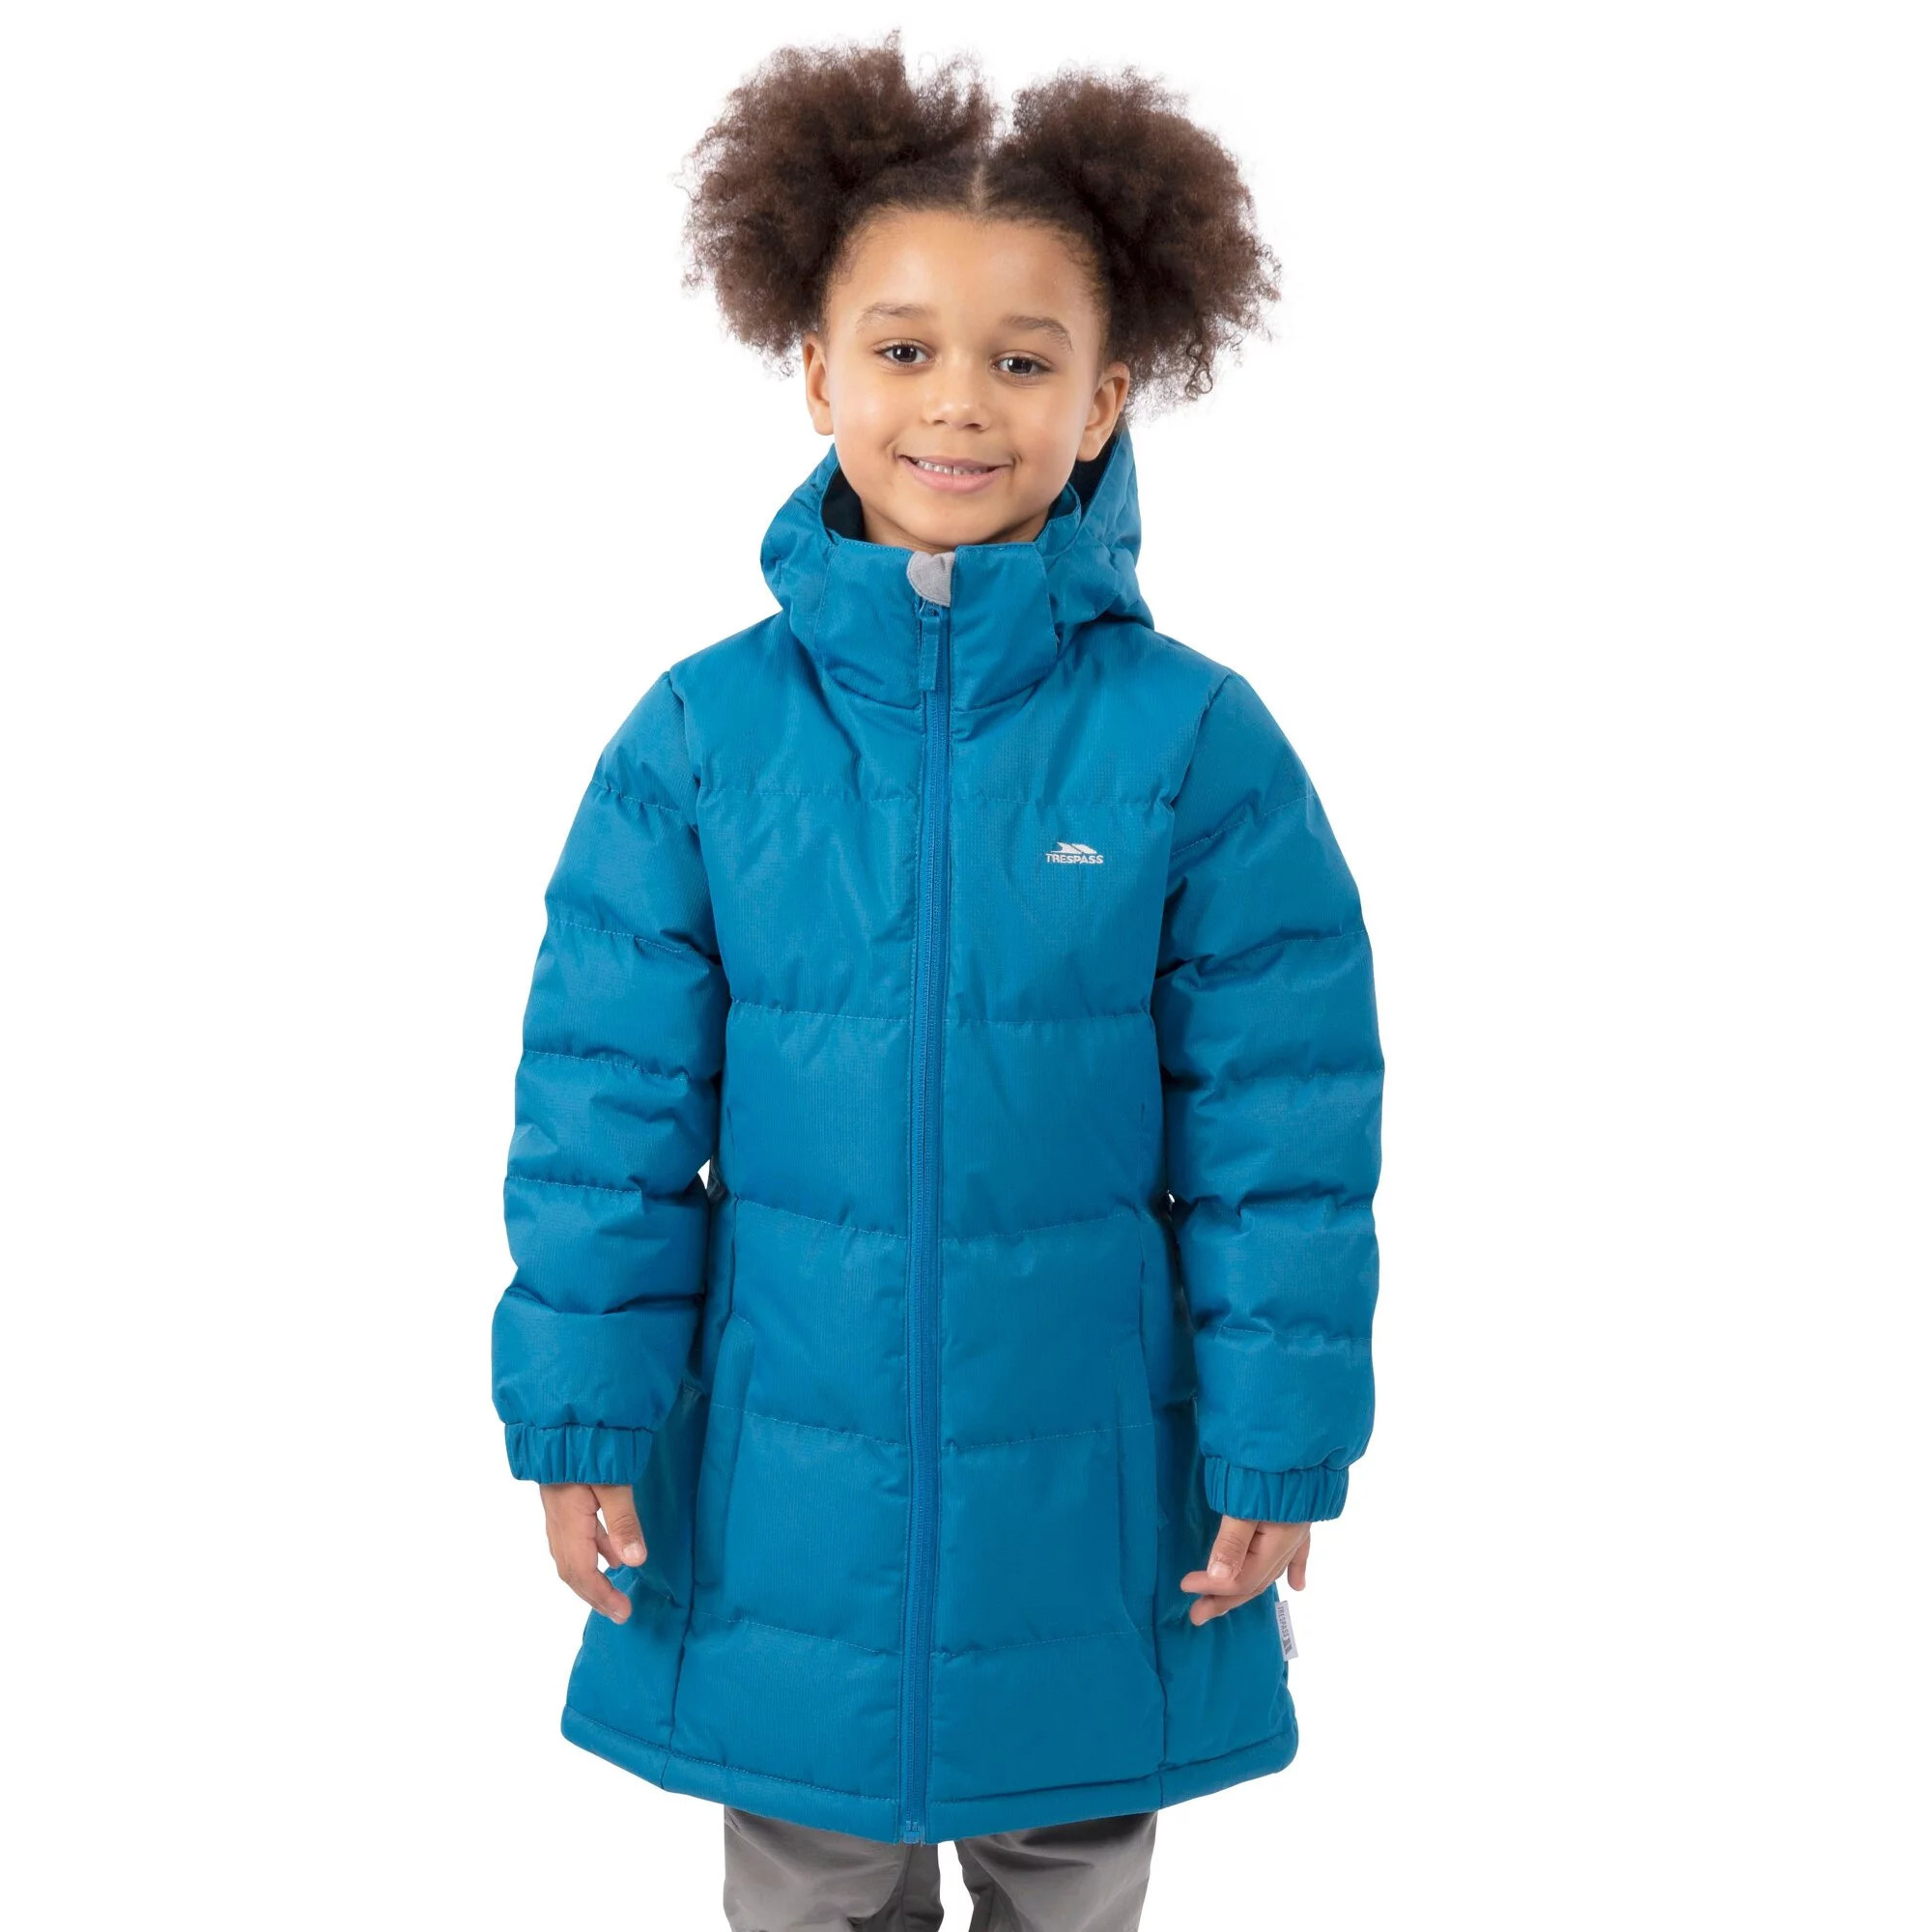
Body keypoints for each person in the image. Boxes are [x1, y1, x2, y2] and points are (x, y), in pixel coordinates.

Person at [490, 32, 1384, 1931]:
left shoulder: (1195, 748)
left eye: (1024, 360)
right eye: (903, 350)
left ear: (1108, 397)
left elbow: (1284, 1139)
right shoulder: (699, 742)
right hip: (781, 1479)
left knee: (1072, 1846)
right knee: (808, 1856)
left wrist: (1280, 1435)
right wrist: (581, 1414)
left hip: (1093, 1475)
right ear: (817, 370)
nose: (958, 402)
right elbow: (601, 1126)